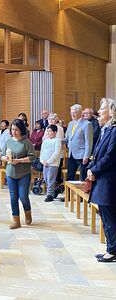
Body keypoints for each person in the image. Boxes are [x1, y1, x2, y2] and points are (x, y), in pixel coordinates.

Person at [87, 98, 116, 263]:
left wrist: (94, 170)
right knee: (105, 216)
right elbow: (97, 152)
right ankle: (111, 248)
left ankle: (112, 250)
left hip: (108, 180)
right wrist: (91, 167)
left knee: (109, 217)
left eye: (102, 108)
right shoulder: (106, 129)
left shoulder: (114, 131)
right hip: (101, 177)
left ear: (111, 112)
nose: (99, 111)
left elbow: (111, 156)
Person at [1, 119, 35, 229]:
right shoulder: (9, 142)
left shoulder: (27, 142)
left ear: (21, 130)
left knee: (23, 196)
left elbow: (32, 157)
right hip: (11, 173)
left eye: (16, 130)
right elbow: (1, 155)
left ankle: (28, 213)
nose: (14, 132)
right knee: (13, 197)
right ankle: (16, 220)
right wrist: (5, 158)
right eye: (12, 129)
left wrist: (19, 160)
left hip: (24, 174)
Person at [64, 104, 93, 181]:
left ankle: (83, 192)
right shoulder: (70, 124)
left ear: (80, 113)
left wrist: (86, 155)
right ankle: (69, 193)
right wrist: (55, 141)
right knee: (70, 177)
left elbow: (88, 142)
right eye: (71, 112)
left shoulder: (87, 124)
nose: (72, 114)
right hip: (71, 154)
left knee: (83, 178)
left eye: (75, 112)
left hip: (82, 155)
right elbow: (67, 139)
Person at [40, 124, 62, 202]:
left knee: (50, 180)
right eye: (47, 131)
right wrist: (42, 160)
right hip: (45, 163)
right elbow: (42, 151)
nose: (48, 133)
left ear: (55, 132)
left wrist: (49, 161)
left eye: (50, 131)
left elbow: (56, 153)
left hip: (53, 164)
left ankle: (49, 195)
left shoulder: (57, 141)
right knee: (46, 179)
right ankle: (56, 189)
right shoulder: (45, 141)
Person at [43, 113, 65, 184]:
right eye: (49, 119)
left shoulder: (58, 128)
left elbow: (57, 141)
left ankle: (55, 187)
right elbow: (43, 139)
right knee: (47, 174)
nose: (50, 120)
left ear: (56, 120)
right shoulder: (48, 127)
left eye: (52, 119)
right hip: (48, 154)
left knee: (55, 173)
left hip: (56, 154)